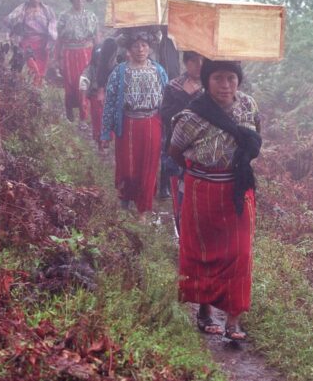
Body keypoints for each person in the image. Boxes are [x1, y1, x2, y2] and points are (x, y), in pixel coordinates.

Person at [169, 59, 262, 341]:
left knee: (240, 253)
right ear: (207, 81)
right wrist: (199, 171)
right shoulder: (193, 114)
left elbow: (255, 139)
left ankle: (233, 320)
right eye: (218, 78)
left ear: (239, 81)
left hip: (237, 189)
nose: (225, 85)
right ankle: (204, 310)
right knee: (203, 251)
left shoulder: (248, 106)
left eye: (231, 79)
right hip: (203, 189)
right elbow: (174, 149)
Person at [100, 29, 168, 223]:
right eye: (136, 45)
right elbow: (110, 103)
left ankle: (143, 210)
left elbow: (167, 100)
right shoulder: (120, 72)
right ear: (129, 48)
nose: (140, 49)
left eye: (144, 45)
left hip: (152, 122)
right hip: (128, 123)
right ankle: (126, 199)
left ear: (150, 48)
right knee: (128, 165)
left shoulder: (158, 71)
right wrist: (105, 133)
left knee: (148, 166)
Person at [160, 51, 204, 226]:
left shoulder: (213, 86)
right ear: (186, 62)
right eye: (194, 61)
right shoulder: (174, 86)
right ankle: (182, 229)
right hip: (178, 147)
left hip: (203, 149)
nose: (199, 65)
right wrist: (185, 97)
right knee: (180, 191)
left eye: (203, 60)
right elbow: (166, 117)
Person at [56, 0, 98, 126]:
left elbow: (96, 37)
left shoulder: (91, 16)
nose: (79, 1)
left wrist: (98, 55)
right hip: (69, 53)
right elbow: (59, 39)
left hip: (86, 53)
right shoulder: (64, 16)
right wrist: (58, 58)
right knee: (70, 84)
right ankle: (69, 109)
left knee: (83, 84)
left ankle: (83, 117)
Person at [5, 0, 57, 86]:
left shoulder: (47, 10)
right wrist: (15, 31)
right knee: (34, 70)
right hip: (27, 44)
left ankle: (36, 94)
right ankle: (32, 91)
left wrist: (51, 40)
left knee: (41, 72)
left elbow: (53, 25)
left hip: (43, 45)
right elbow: (9, 20)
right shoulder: (22, 9)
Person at [79, 38, 119, 150]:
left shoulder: (113, 67)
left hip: (109, 97)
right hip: (95, 97)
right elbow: (84, 80)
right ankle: (100, 141)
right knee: (98, 120)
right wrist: (83, 99)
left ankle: (107, 140)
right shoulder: (90, 69)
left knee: (109, 119)